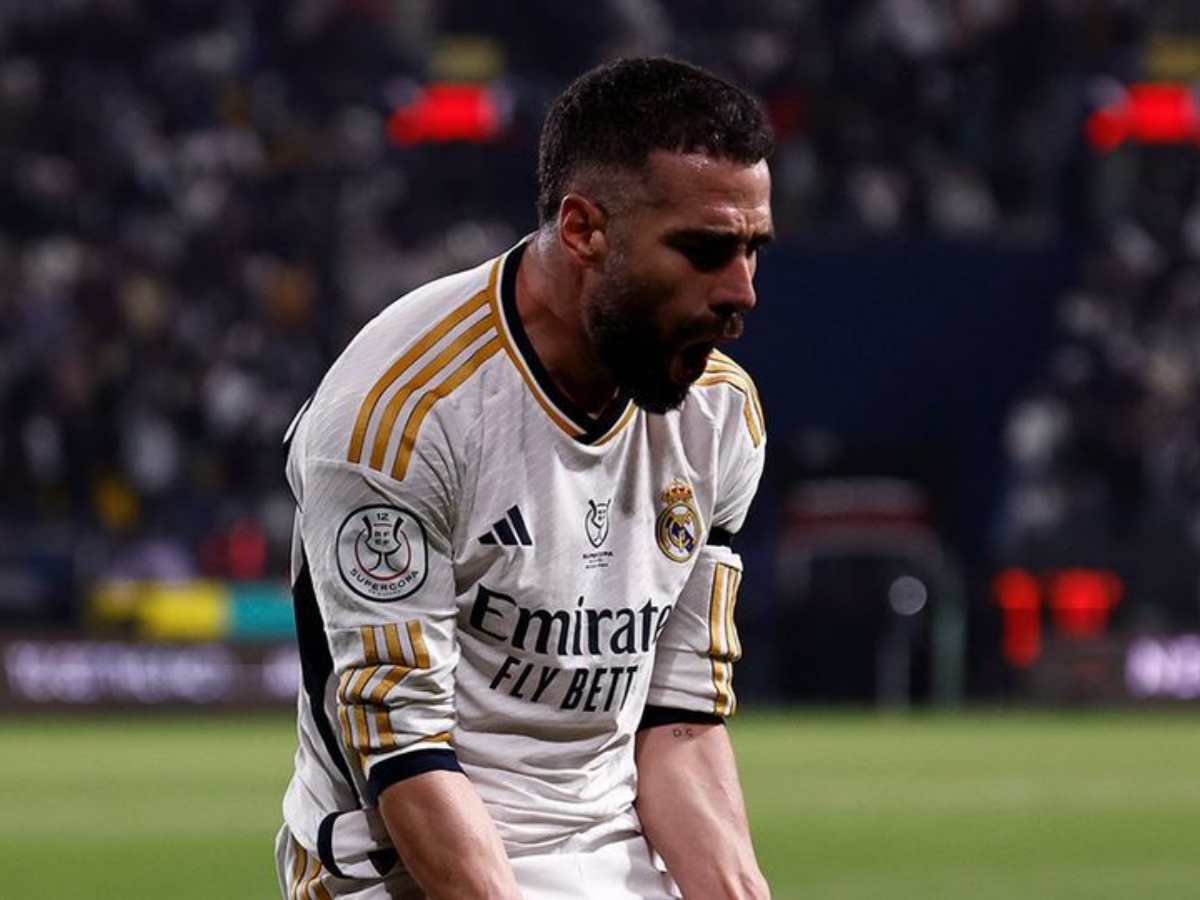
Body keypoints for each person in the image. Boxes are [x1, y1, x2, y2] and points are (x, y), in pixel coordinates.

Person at [276, 56, 774, 900]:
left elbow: (681, 724)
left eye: (754, 251)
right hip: (403, 868)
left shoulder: (717, 414)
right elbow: (405, 757)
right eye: (705, 250)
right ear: (584, 229)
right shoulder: (401, 416)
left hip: (612, 855)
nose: (742, 291)